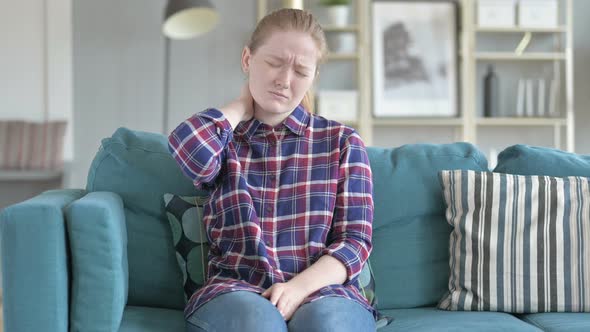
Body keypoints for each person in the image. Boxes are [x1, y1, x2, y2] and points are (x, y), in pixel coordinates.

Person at [168, 8, 375, 332]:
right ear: (248, 59)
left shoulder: (342, 142)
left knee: (327, 324)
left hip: (325, 295)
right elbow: (188, 150)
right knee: (257, 323)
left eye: (301, 71)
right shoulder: (225, 140)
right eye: (274, 63)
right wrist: (239, 106)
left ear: (313, 78)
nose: (284, 80)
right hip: (236, 292)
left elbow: (354, 242)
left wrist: (297, 289)